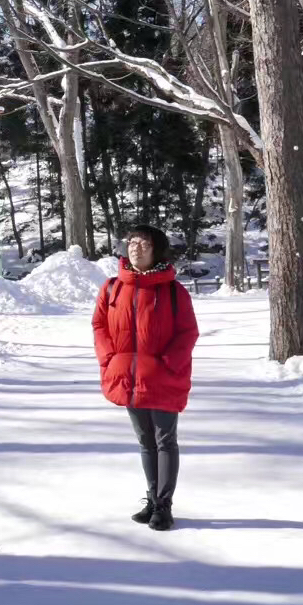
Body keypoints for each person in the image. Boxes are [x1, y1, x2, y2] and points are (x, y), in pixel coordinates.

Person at [91, 224, 199, 531]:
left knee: (165, 440)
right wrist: (109, 358)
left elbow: (187, 332)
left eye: (144, 244)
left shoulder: (173, 291)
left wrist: (169, 364)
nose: (136, 247)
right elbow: (99, 325)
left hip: (162, 376)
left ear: (157, 250)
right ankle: (152, 500)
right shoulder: (112, 287)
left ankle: (164, 506)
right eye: (132, 242)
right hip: (125, 375)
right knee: (145, 440)